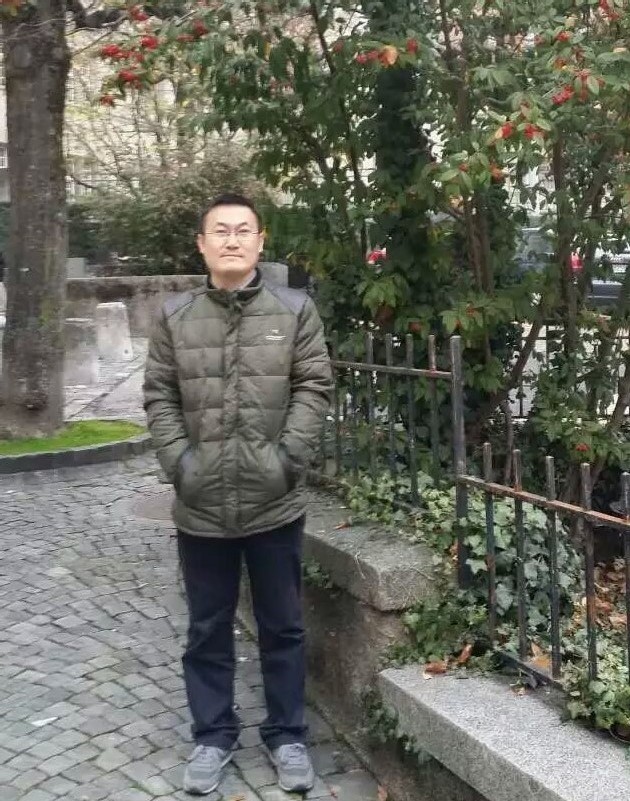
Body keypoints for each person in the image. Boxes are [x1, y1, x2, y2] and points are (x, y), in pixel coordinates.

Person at [143, 193, 333, 796]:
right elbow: (160, 396)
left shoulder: (295, 310)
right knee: (207, 627)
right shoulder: (175, 316)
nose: (232, 240)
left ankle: (287, 735)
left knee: (283, 627)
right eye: (220, 231)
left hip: (275, 500)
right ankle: (213, 735)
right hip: (201, 505)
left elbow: (313, 387)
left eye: (243, 230)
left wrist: (285, 462)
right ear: (202, 244)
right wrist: (182, 465)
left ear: (260, 241)